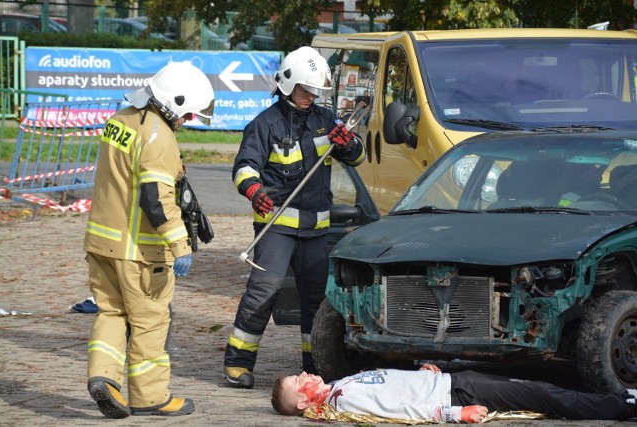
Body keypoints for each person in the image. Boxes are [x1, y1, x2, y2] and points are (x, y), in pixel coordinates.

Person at [223, 46, 366, 389]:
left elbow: (357, 157)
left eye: (315, 91)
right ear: (288, 85)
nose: (310, 97)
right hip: (278, 228)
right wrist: (254, 191)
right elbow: (244, 168)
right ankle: (237, 363)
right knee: (264, 290)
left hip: (316, 230)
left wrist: (348, 144)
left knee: (316, 301)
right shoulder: (265, 125)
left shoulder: (325, 118)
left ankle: (313, 364)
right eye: (305, 90)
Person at [84, 61, 215, 418]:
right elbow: (157, 200)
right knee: (150, 322)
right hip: (139, 252)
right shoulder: (158, 135)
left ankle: (103, 377)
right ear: (173, 102)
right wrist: (180, 246)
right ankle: (150, 396)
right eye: (187, 113)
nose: (186, 121)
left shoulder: (120, 120)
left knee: (111, 312)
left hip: (100, 243)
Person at [271, 364, 637, 422]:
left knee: (535, 384)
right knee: (542, 395)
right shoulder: (342, 399)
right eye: (297, 380)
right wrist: (455, 415)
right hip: (455, 395)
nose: (303, 373)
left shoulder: (336, 386)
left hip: (448, 380)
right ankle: (624, 406)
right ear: (304, 401)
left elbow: (389, 383)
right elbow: (399, 412)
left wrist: (419, 373)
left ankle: (622, 399)